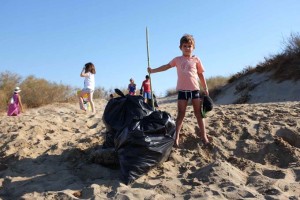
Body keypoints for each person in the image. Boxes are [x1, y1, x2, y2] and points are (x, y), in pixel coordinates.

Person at [148, 34, 210, 147]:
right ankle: (176, 138)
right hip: (182, 91)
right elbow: (166, 66)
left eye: (189, 46)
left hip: (195, 90)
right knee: (181, 113)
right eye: (185, 46)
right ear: (180, 47)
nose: (187, 48)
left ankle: (204, 136)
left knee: (198, 113)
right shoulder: (177, 60)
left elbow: (201, 74)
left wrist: (205, 87)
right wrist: (153, 71)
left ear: (193, 47)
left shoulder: (196, 59)